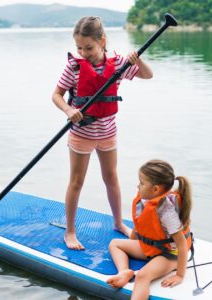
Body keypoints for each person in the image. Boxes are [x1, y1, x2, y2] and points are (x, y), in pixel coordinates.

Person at [52, 16, 153, 250]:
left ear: (102, 41)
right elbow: (56, 94)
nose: (83, 52)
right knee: (76, 182)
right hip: (81, 134)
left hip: (108, 132)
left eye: (88, 47)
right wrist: (69, 109)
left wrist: (138, 60)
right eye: (79, 47)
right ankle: (70, 232)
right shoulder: (74, 67)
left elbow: (147, 75)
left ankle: (118, 223)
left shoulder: (119, 65)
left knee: (111, 178)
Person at [106, 159, 193, 299]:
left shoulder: (166, 211)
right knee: (115, 243)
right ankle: (124, 272)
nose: (138, 186)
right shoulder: (147, 202)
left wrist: (179, 275)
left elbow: (182, 245)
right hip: (153, 248)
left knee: (142, 277)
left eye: (141, 182)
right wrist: (133, 244)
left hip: (170, 255)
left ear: (156, 189)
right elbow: (141, 226)